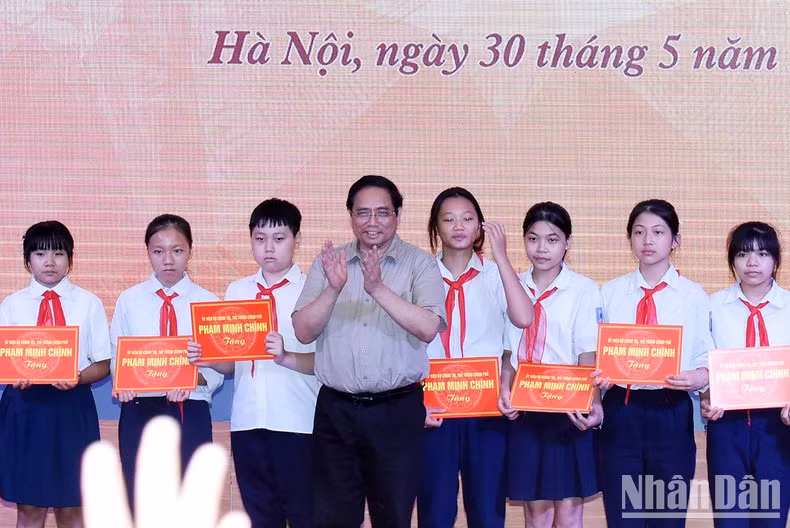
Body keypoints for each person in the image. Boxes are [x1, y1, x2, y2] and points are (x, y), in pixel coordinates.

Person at [292, 175, 447, 528]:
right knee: (332, 518)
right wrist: (332, 289)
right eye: (363, 213)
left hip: (397, 411)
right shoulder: (330, 263)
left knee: (392, 516)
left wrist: (377, 288)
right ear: (350, 216)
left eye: (382, 213)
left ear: (398, 214)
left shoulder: (419, 264)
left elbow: (428, 327)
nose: (372, 222)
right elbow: (303, 331)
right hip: (336, 410)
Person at [188, 198, 319, 528]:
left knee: (306, 516)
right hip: (247, 423)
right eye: (260, 239)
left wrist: (286, 357)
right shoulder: (237, 291)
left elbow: (329, 363)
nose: (268, 248)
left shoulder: (313, 291)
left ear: (297, 240)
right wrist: (211, 359)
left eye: (279, 238)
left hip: (300, 423)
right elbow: (234, 365)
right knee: (261, 517)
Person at [417, 187, 532, 528]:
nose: (459, 226)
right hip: (434, 410)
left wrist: (502, 256)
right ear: (435, 228)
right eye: (448, 219)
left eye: (468, 218)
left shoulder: (497, 275)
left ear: (480, 227)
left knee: (486, 510)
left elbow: (524, 319)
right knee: (435, 511)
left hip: (486, 410)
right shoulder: (419, 276)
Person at [593, 199, 712, 527]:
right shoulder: (610, 292)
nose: (648, 240)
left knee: (667, 517)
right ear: (629, 238)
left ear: (675, 240)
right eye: (639, 232)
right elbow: (596, 351)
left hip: (670, 411)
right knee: (623, 516)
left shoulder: (693, 295)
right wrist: (599, 374)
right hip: (621, 411)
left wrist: (698, 376)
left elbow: (706, 358)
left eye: (658, 232)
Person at [0, 220, 111, 528]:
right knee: (30, 509)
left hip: (72, 410)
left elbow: (103, 364)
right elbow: (4, 358)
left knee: (72, 509)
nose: (49, 262)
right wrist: (13, 373)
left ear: (70, 259)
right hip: (25, 409)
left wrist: (77, 377)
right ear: (27, 261)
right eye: (39, 254)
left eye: (59, 253)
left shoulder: (89, 303)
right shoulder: (10, 305)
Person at [498, 202, 601, 527]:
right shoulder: (509, 284)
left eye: (552, 239)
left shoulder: (584, 289)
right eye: (533, 238)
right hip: (525, 410)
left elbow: (587, 353)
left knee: (569, 510)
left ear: (567, 243)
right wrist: (504, 386)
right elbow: (506, 349)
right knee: (536, 511)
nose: (541, 248)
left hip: (569, 410)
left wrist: (593, 404)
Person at [111, 214, 224, 508]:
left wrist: (190, 378)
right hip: (139, 409)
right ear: (148, 252)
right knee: (141, 500)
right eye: (158, 251)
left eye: (177, 250)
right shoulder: (129, 300)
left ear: (190, 250)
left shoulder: (209, 302)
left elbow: (218, 367)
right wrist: (121, 383)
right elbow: (118, 358)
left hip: (191, 409)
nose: (168, 260)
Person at [702, 222, 790, 526]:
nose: (752, 263)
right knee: (730, 519)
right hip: (727, 426)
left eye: (762, 253)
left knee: (771, 518)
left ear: (776, 260)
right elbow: (703, 363)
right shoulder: (711, 307)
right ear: (732, 260)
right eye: (743, 254)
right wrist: (705, 397)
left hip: (778, 427)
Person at [81, 416, 251, 528]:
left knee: (192, 500)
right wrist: (123, 382)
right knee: (137, 498)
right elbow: (118, 365)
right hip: (138, 401)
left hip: (188, 405)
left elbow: (212, 371)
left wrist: (186, 380)